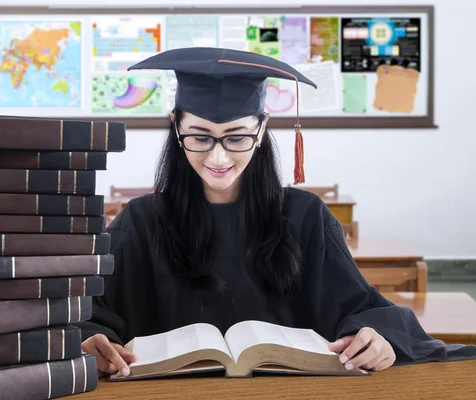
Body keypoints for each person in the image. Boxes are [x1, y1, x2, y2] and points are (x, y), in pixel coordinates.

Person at [77, 47, 476, 377]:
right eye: (199, 137)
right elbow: (86, 313)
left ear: (263, 127)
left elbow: (363, 309)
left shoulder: (306, 217)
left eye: (237, 137)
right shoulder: (142, 222)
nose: (218, 156)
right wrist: (91, 340)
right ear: (175, 126)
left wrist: (374, 338)